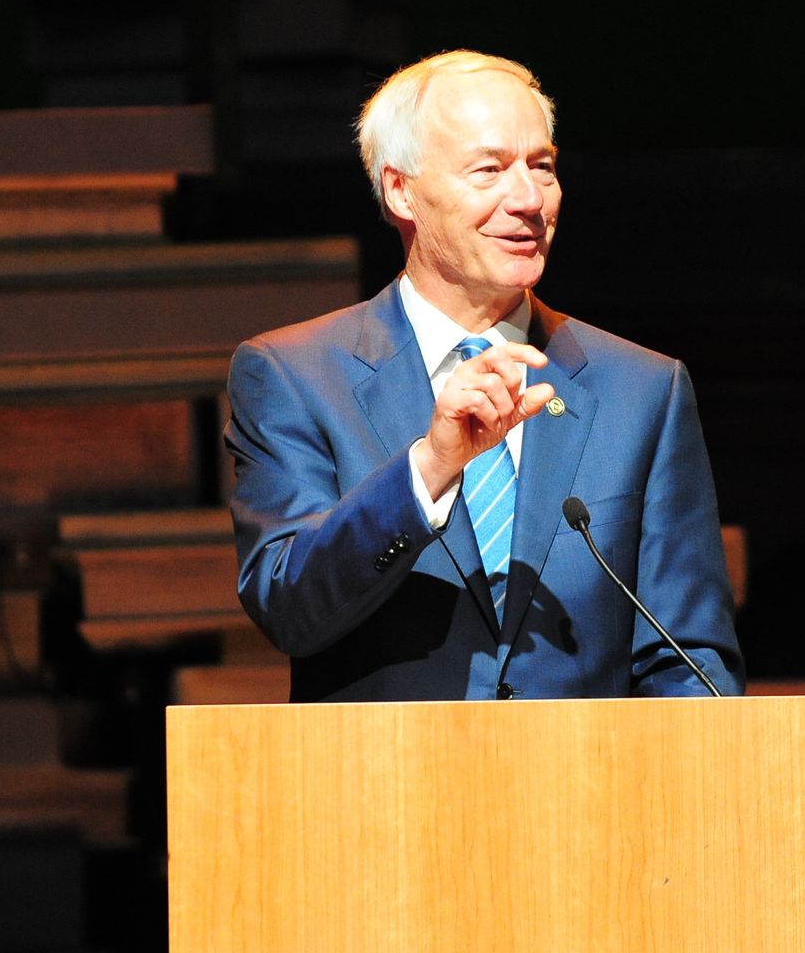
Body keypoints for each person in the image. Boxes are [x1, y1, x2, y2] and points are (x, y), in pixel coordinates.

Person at [224, 49, 744, 701]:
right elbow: (288, 608)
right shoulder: (295, 376)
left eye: (542, 167)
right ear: (400, 190)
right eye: (489, 170)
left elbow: (689, 664)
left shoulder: (641, 391)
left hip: (588, 769)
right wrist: (428, 471)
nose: (528, 199)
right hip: (383, 767)